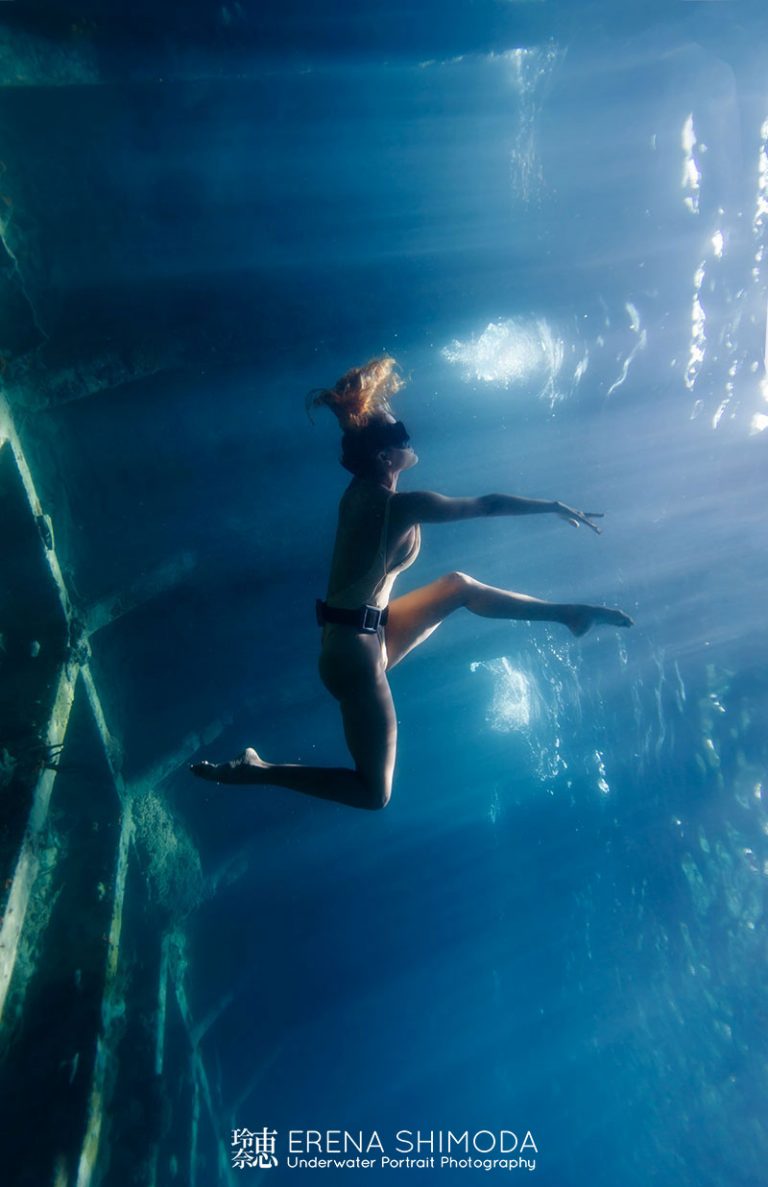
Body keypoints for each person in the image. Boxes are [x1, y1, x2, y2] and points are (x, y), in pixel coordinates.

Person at [190, 356, 633, 809]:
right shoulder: (395, 505)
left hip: (362, 637)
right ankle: (259, 772)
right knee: (373, 794)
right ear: (385, 456)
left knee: (458, 586)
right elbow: (488, 505)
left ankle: (568, 614)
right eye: (398, 433)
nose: (408, 434)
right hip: (355, 656)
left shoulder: (373, 495)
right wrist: (554, 505)